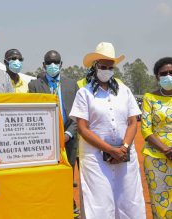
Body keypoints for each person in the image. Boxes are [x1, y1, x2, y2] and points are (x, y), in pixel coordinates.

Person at [69, 42, 146, 219]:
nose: (106, 70)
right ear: (95, 67)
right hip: (96, 157)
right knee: (99, 203)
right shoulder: (84, 93)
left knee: (129, 200)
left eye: (110, 67)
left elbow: (133, 121)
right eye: (103, 67)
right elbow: (82, 127)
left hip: (124, 155)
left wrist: (124, 147)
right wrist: (109, 149)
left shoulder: (124, 91)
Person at [28, 50, 79, 216]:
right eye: (49, 63)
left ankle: (67, 204)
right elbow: (31, 115)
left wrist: (68, 135)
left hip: (68, 139)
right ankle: (48, 205)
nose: (52, 65)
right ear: (43, 65)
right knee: (46, 174)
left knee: (67, 174)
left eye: (56, 62)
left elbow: (78, 115)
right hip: (44, 141)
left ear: (61, 64)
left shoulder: (72, 84)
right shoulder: (34, 85)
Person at [141, 57, 172, 218]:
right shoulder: (149, 98)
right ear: (157, 77)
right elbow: (146, 129)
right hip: (156, 158)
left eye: (171, 72)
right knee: (160, 200)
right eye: (164, 73)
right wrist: (166, 150)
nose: (168, 76)